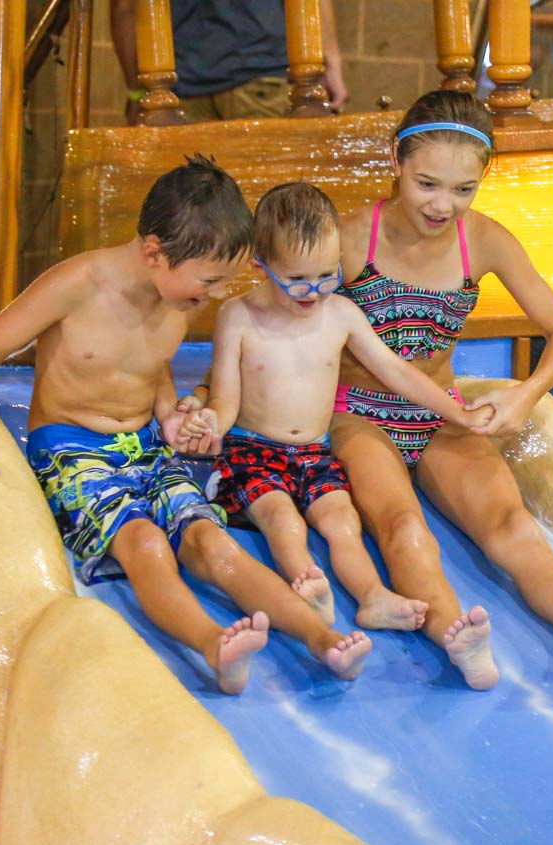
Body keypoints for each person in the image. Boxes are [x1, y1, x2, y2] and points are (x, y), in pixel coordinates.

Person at [0, 155, 371, 694]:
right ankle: (213, 645)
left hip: (147, 447)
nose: (217, 294)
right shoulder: (77, 285)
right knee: (147, 545)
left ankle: (320, 638)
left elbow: (148, 364)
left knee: (213, 542)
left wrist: (171, 416)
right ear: (154, 253)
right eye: (211, 281)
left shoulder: (178, 290)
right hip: (71, 449)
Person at [329, 90, 553, 691]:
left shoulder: (483, 240)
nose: (443, 205)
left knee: (512, 525)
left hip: (443, 417)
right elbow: (281, 313)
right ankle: (452, 635)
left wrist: (526, 395)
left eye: (463, 189)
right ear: (396, 162)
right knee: (403, 526)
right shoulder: (351, 237)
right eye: (427, 184)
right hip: (356, 413)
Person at [174, 182, 492, 635]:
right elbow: (225, 397)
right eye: (298, 279)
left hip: (315, 451)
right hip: (252, 450)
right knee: (282, 518)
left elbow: (396, 372)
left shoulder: (340, 313)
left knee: (343, 519)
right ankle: (307, 587)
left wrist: (457, 413)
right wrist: (210, 420)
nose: (314, 292)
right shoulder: (238, 316)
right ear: (260, 265)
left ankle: (371, 597)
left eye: (327, 276)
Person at [111, 0, 349, 125]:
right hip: (260, 71)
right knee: (266, 207)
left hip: (178, 84)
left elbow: (124, 8)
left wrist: (137, 91)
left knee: (187, 211)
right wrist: (330, 58)